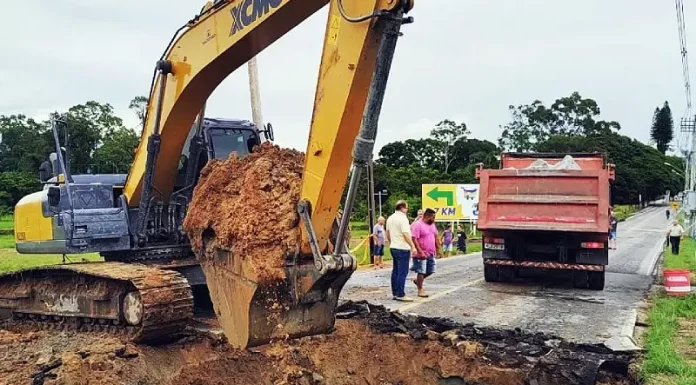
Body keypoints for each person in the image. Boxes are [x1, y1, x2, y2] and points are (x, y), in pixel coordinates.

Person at [386, 200, 417, 302]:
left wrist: (392, 242)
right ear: (403, 208)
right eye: (407, 208)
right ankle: (400, 294)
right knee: (402, 272)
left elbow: (387, 233)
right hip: (402, 248)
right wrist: (412, 246)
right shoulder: (403, 218)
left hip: (393, 247)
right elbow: (406, 234)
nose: (407, 210)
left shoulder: (390, 218)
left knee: (395, 271)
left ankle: (395, 292)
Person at [411, 208, 441, 298]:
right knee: (421, 271)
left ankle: (418, 281)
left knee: (431, 270)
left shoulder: (432, 225)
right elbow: (414, 238)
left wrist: (438, 249)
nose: (434, 219)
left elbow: (435, 236)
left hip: (431, 252)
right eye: (433, 217)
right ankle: (420, 289)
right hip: (421, 253)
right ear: (427, 216)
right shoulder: (417, 225)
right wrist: (420, 251)